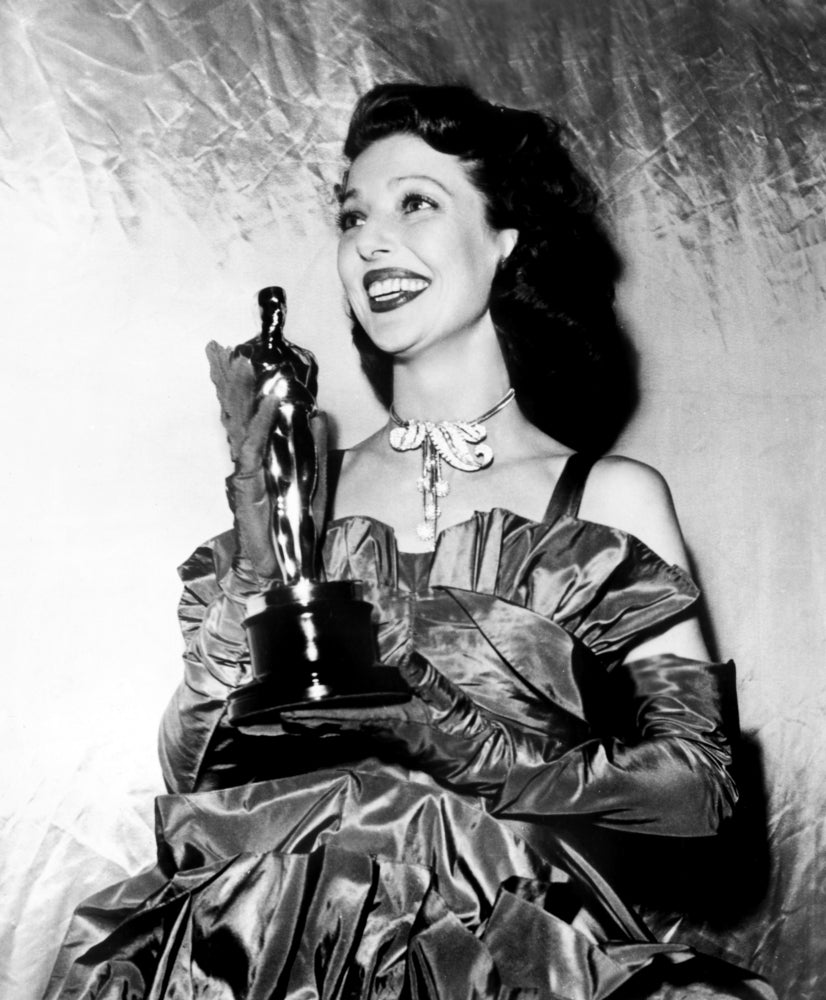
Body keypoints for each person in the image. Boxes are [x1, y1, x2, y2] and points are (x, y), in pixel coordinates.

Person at [45, 83, 775, 1000]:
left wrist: (441, 728)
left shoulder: (603, 499)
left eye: (416, 204)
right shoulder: (306, 492)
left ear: (505, 240)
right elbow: (193, 776)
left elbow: (699, 792)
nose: (371, 241)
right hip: (272, 963)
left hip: (515, 968)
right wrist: (256, 569)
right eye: (354, 217)